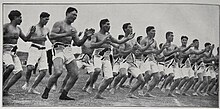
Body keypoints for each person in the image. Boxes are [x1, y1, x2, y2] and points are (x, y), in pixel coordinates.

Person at [41, 7, 95, 100]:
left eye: (76, 16)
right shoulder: (59, 24)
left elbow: (78, 43)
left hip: (68, 50)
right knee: (58, 71)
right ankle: (46, 91)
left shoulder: (73, 29)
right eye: (73, 14)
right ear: (67, 13)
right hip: (58, 49)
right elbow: (52, 35)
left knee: (75, 75)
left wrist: (85, 36)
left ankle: (64, 94)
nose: (75, 17)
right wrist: (66, 34)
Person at [90, 19, 134, 99]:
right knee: (97, 70)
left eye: (109, 24)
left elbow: (118, 41)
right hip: (97, 56)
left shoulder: (109, 36)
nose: (109, 26)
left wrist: (127, 38)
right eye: (107, 24)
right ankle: (90, 85)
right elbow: (91, 45)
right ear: (102, 25)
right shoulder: (96, 35)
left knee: (109, 78)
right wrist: (103, 41)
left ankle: (98, 94)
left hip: (106, 58)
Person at [3, 10, 34, 96]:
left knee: (19, 73)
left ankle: (5, 90)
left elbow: (25, 39)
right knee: (10, 67)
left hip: (13, 52)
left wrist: (31, 33)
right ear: (14, 18)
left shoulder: (18, 29)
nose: (21, 19)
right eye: (20, 17)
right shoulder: (5, 27)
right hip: (4, 51)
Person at [21, 12, 50, 95]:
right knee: (30, 68)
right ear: (41, 18)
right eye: (45, 19)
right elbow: (27, 39)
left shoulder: (47, 29)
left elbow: (51, 39)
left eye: (48, 19)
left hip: (43, 49)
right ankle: (26, 83)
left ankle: (33, 88)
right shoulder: (34, 27)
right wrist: (39, 38)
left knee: (44, 71)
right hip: (34, 48)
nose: (47, 21)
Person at [138, 26, 167, 97]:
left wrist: (162, 49)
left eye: (155, 31)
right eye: (153, 31)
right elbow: (140, 51)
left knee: (158, 77)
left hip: (153, 60)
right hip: (145, 59)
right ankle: (140, 88)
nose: (154, 33)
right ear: (148, 32)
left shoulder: (154, 41)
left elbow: (157, 52)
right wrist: (150, 51)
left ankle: (148, 92)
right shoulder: (144, 40)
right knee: (148, 74)